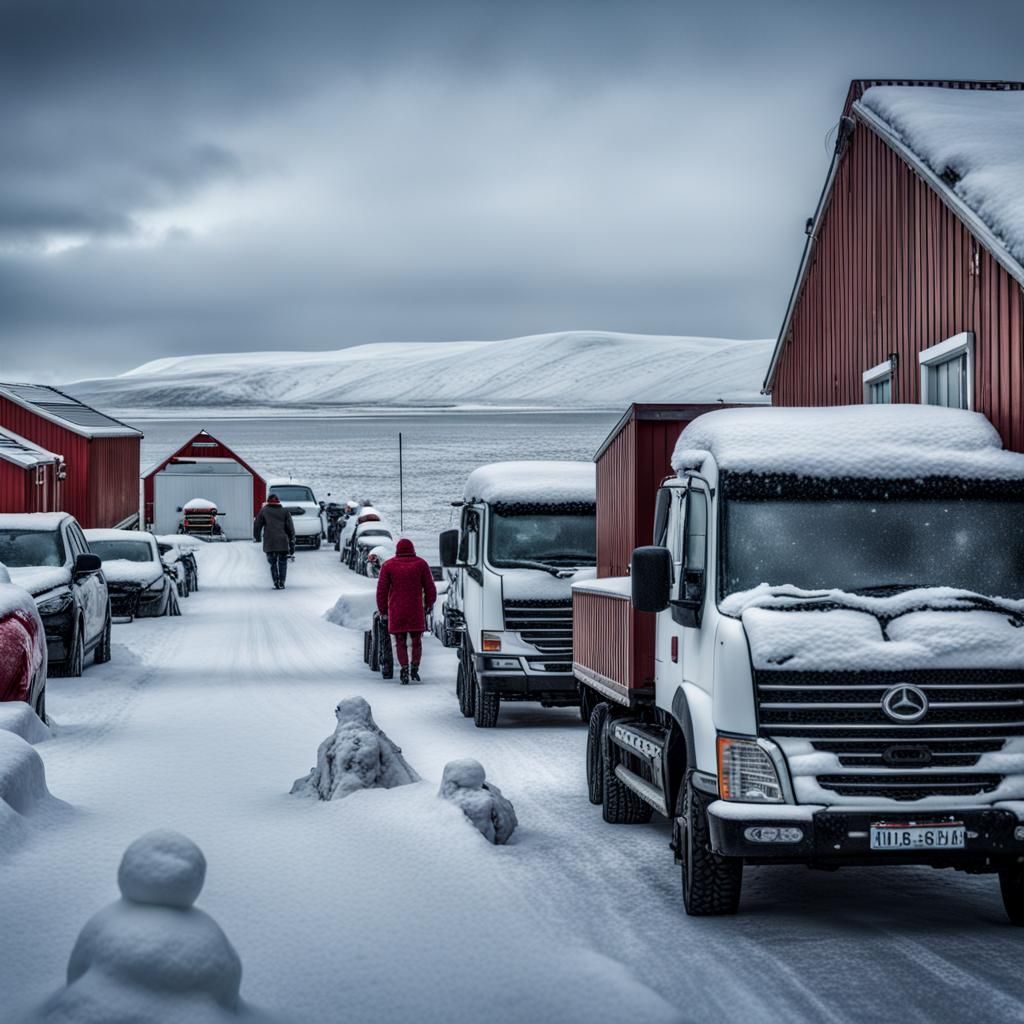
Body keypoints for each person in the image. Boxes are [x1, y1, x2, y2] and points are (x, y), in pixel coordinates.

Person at [375, 538, 437, 684]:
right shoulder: (421, 564)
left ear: (397, 550)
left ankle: (404, 668)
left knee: (400, 641)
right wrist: (428, 604)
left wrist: (383, 610)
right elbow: (430, 588)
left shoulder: (388, 566)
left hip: (397, 610)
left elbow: (381, 591)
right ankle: (414, 667)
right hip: (416, 610)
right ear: (412, 549)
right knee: (416, 641)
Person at [253, 493, 295, 589]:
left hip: (270, 542)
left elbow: (257, 525)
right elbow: (290, 528)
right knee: (283, 562)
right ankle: (282, 582)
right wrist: (292, 540)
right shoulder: (285, 511)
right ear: (278, 501)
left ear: (268, 501)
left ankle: (276, 581)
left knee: (272, 563)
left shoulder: (264, 511)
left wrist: (257, 537)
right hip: (282, 542)